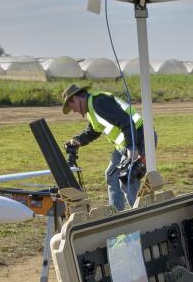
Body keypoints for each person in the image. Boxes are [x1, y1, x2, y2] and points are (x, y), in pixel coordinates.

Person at [61, 83, 147, 211]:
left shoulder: (99, 102)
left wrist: (132, 148)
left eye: (71, 106)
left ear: (76, 99)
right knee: (112, 175)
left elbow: (126, 121)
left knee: (127, 180)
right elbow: (93, 131)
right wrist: (77, 140)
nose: (73, 110)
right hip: (124, 145)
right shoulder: (92, 108)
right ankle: (116, 216)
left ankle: (141, 215)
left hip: (139, 139)